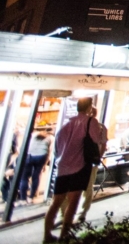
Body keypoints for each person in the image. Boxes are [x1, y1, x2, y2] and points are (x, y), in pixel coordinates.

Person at [43, 97, 103, 242]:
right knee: (74, 200)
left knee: (56, 202)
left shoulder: (66, 125)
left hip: (62, 167)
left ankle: (47, 235)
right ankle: (64, 234)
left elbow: (57, 148)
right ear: (89, 107)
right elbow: (96, 140)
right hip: (79, 165)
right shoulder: (90, 122)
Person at [19, 128, 52, 203]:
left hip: (30, 156)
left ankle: (23, 199)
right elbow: (49, 151)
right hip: (41, 156)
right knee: (36, 176)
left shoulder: (32, 135)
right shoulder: (49, 138)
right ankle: (31, 197)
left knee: (24, 177)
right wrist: (45, 164)